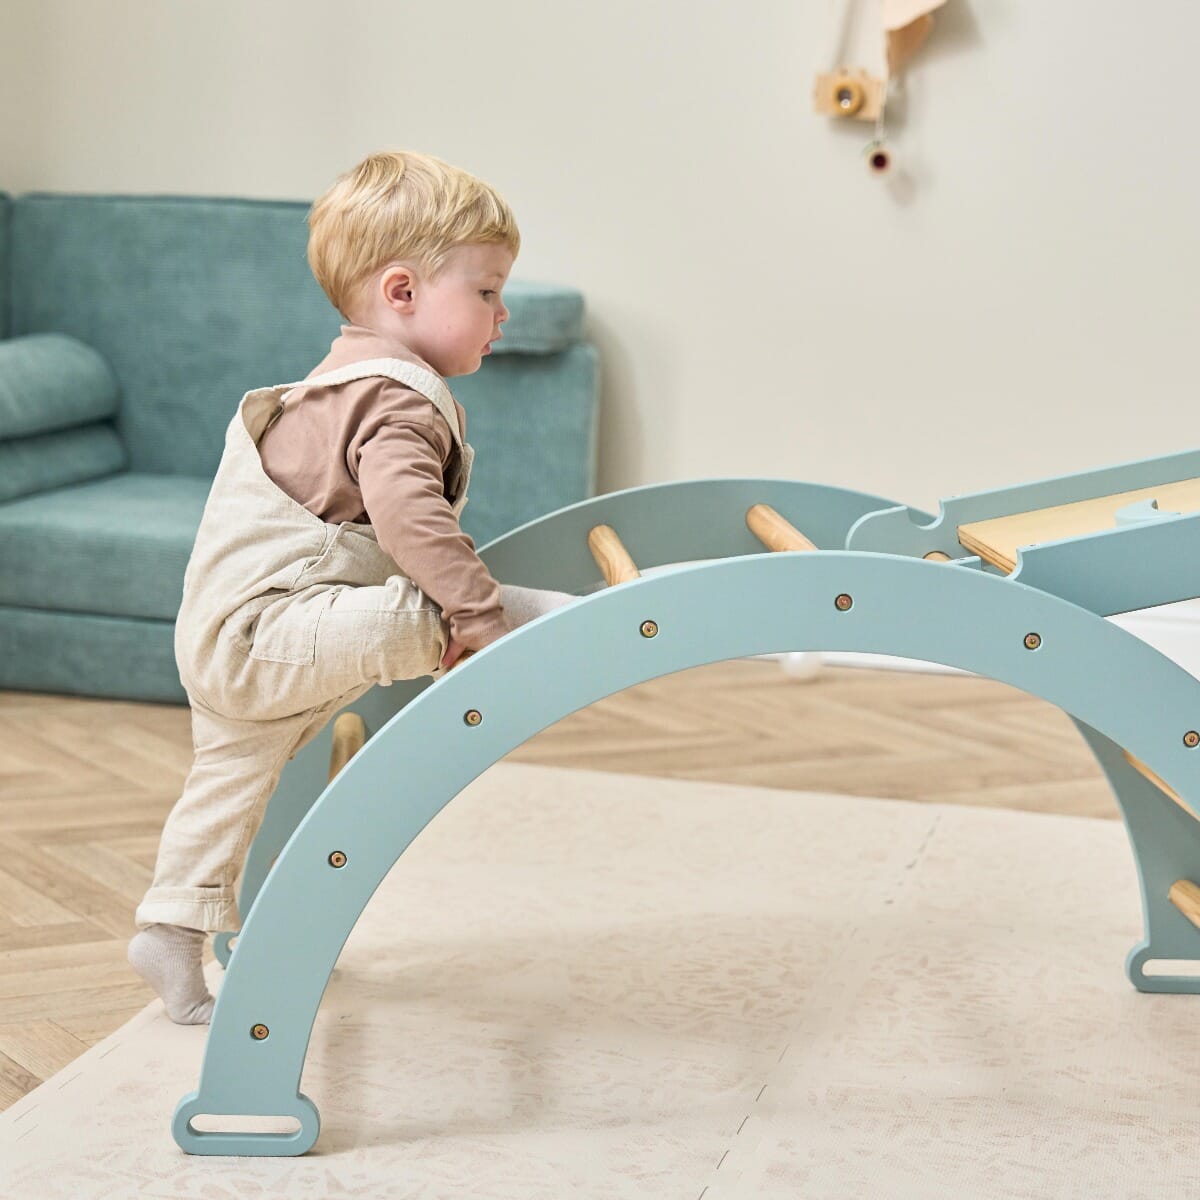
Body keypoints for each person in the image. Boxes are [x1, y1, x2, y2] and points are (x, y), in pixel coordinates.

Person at [128, 150, 575, 1023]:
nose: (503, 312)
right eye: (487, 290)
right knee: (420, 613)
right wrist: (482, 616)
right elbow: (410, 520)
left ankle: (170, 934)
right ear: (401, 291)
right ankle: (543, 618)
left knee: (226, 789)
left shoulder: (331, 387)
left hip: (228, 638)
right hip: (270, 630)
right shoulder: (395, 399)